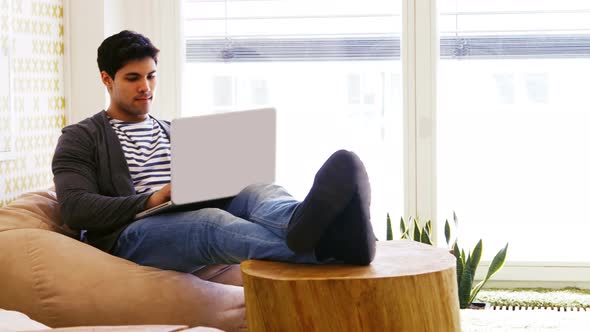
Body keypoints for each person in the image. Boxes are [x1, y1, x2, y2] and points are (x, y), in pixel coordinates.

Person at [51, 30, 376, 277]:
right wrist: (153, 199)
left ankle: (298, 221)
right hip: (129, 236)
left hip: (183, 210)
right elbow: (76, 209)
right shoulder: (80, 137)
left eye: (151, 76)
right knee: (210, 222)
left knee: (256, 188)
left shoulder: (172, 130)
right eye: (133, 78)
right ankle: (331, 247)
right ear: (107, 80)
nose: (146, 87)